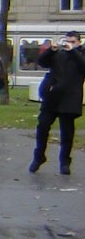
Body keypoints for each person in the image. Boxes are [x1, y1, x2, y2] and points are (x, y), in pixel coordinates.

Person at [29, 30, 85, 175]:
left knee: (67, 132)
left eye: (72, 42)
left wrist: (73, 52)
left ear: (79, 42)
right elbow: (42, 62)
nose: (69, 44)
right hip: (52, 96)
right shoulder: (58, 54)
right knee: (43, 126)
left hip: (70, 98)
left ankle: (65, 161)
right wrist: (50, 51)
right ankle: (39, 156)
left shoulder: (80, 55)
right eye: (67, 41)